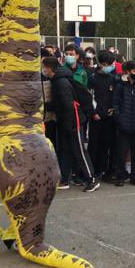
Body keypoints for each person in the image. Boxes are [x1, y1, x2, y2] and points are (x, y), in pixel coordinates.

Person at [43, 56, 99, 192]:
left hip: (73, 121)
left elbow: (67, 104)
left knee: (79, 150)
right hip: (66, 121)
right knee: (65, 151)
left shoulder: (60, 82)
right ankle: (64, 180)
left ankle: (92, 179)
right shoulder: (58, 79)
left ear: (49, 68)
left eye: (43, 67)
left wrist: (69, 124)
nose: (43, 70)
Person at [113, 60, 135, 187]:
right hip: (123, 125)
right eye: (134, 70)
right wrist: (119, 118)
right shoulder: (120, 86)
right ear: (128, 71)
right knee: (121, 153)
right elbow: (116, 104)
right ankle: (120, 177)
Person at [89, 50, 119, 182]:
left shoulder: (113, 78)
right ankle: (92, 171)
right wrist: (94, 112)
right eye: (108, 64)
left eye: (112, 64)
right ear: (101, 63)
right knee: (94, 144)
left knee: (106, 145)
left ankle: (103, 170)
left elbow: (115, 96)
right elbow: (89, 96)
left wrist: (113, 108)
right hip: (96, 116)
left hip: (109, 116)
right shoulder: (92, 78)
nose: (110, 66)